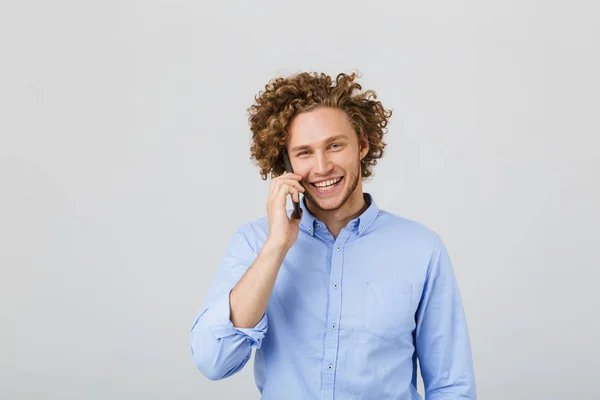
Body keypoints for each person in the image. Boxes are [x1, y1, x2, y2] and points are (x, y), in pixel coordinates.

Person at [190, 71, 477, 399]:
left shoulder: (422, 249)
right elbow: (214, 362)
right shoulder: (254, 242)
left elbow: (451, 386)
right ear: (286, 163)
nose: (322, 166)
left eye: (335, 146)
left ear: (363, 145)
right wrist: (277, 246)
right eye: (304, 153)